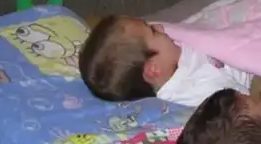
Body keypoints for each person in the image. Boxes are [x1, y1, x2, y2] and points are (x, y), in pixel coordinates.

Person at [79, 15, 251, 106]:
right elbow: (245, 103)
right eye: (153, 31)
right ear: (154, 69)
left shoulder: (170, 58)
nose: (160, 27)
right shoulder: (199, 89)